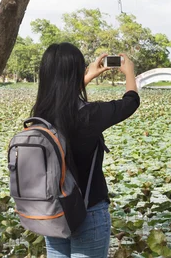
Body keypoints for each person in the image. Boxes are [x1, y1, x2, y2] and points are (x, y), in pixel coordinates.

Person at [31, 43, 140, 258]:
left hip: (53, 213)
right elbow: (130, 102)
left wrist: (88, 76)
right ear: (76, 74)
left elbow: (61, 98)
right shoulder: (90, 115)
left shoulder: (41, 116)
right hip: (87, 212)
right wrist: (129, 73)